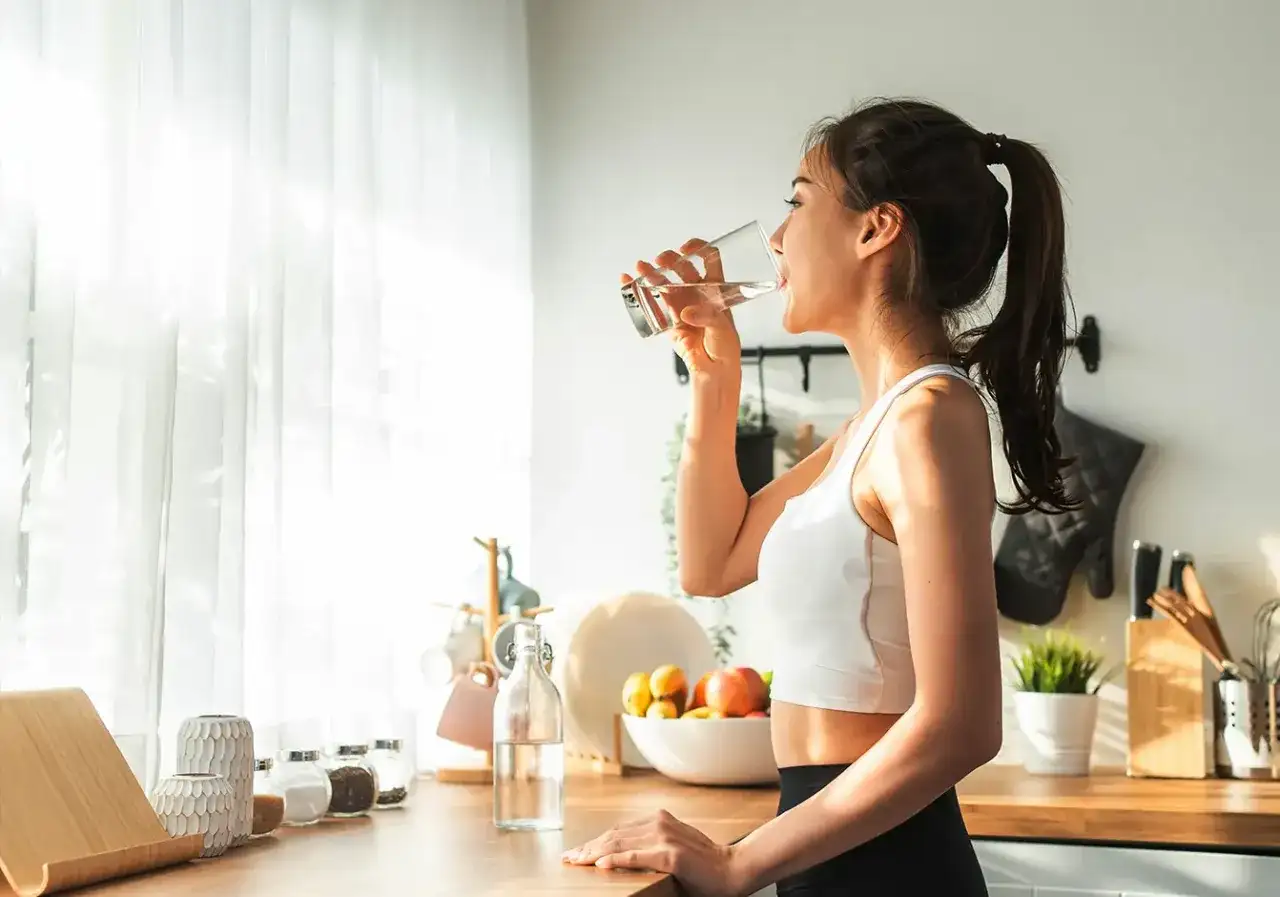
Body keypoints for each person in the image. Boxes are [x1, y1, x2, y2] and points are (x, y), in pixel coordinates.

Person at [562, 96, 1078, 896]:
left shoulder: (929, 417)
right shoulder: (870, 430)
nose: (775, 238)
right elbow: (711, 563)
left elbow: (963, 724)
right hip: (827, 849)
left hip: (891, 867)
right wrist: (714, 376)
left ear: (877, 229)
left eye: (797, 202)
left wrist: (739, 860)